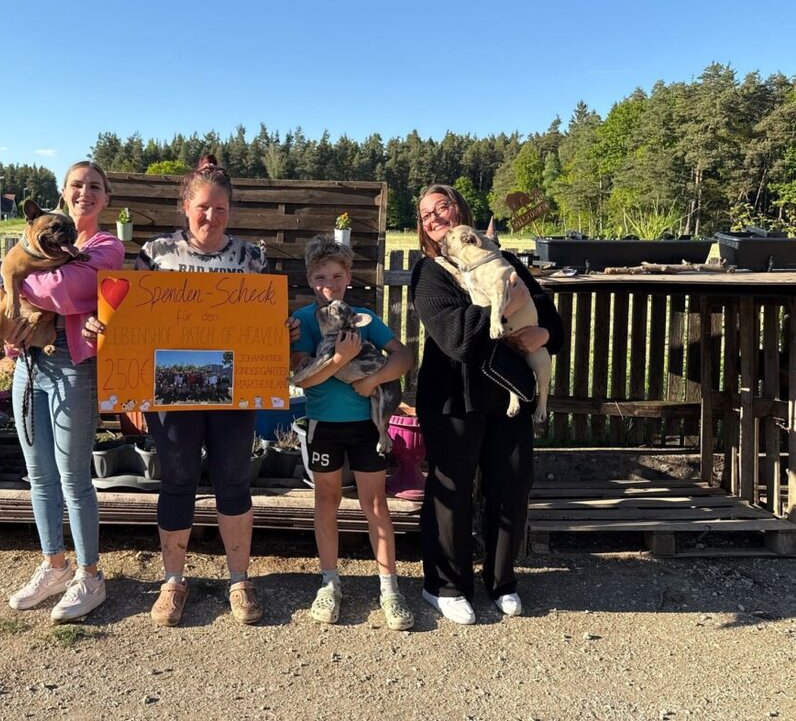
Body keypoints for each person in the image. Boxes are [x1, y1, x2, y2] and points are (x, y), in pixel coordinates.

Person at [84, 154, 268, 628]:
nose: (211, 216)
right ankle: (172, 581)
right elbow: (130, 319)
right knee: (178, 481)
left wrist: (280, 329)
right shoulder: (156, 252)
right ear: (186, 206)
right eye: (203, 207)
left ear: (231, 211)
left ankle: (239, 580)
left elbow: (262, 319)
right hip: (171, 387)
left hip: (234, 386)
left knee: (234, 479)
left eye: (221, 209)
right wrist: (102, 326)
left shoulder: (251, 256)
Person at [410, 183, 563, 625]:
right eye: (426, 214)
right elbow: (456, 338)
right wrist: (504, 304)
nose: (435, 217)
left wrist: (541, 334)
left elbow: (553, 324)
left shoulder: (503, 260)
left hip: (507, 393)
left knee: (510, 485)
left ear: (461, 211)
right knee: (451, 490)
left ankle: (502, 581)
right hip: (452, 396)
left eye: (442, 207)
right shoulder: (430, 272)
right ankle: (444, 586)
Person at [5, 161, 125, 622]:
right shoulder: (44, 236)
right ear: (63, 192)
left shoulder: (105, 246)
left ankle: (89, 574)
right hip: (28, 364)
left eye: (95, 186)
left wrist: (17, 280)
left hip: (72, 365)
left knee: (73, 477)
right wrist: (11, 283)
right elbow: (5, 283)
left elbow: (67, 290)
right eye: (77, 185)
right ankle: (54, 564)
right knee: (38, 475)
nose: (85, 193)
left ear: (106, 197)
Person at [291, 236, 415, 630]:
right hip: (323, 425)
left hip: (366, 426)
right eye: (321, 277)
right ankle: (329, 583)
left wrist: (373, 379)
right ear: (310, 279)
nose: (329, 284)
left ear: (348, 278)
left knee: (375, 504)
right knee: (326, 501)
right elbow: (303, 378)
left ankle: (389, 588)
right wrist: (340, 358)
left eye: (337, 276)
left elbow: (404, 356)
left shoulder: (363, 317)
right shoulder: (303, 322)